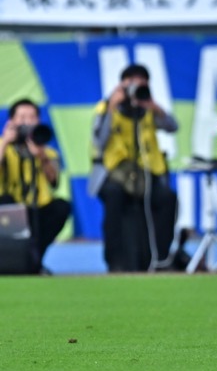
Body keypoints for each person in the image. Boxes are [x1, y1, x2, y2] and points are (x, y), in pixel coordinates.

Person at [89, 64, 179, 273]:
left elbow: (172, 127)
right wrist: (112, 107)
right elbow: (99, 141)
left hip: (147, 173)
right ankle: (115, 261)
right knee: (114, 198)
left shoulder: (146, 108)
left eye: (142, 84)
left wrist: (154, 106)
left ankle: (161, 259)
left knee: (167, 198)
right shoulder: (106, 109)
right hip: (115, 174)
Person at [0, 99, 71, 274]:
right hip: (9, 208)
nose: (27, 122)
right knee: (7, 202)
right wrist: (5, 141)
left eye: (32, 117)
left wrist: (41, 156)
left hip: (37, 208)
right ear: (12, 121)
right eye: (22, 117)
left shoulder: (47, 151)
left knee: (61, 207)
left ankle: (34, 261)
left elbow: (53, 181)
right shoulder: (4, 146)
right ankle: (11, 261)